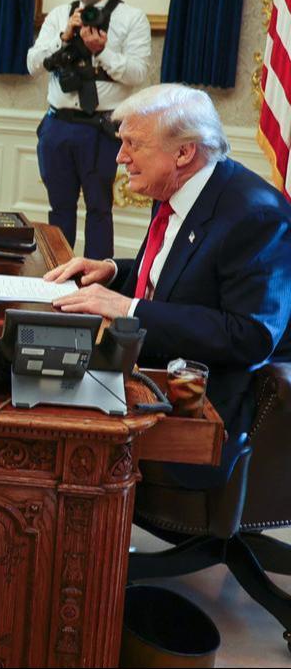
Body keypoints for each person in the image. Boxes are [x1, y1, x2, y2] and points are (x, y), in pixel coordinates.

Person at [44, 84, 291, 489]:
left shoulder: (255, 216)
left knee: (54, 435)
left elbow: (250, 335)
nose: (120, 156)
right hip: (151, 370)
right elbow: (178, 277)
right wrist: (112, 270)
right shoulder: (178, 188)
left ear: (183, 152)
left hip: (204, 405)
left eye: (132, 144)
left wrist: (128, 308)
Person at [27, 0, 152, 259]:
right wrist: (64, 36)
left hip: (101, 128)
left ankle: (96, 285)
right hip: (58, 125)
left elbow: (138, 72)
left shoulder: (131, 18)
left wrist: (103, 52)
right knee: (60, 209)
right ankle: (58, 271)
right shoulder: (59, 14)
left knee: (99, 209)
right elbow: (32, 64)